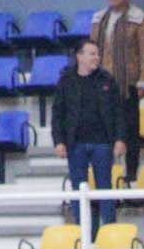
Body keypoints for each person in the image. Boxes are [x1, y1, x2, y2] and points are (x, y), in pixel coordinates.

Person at [89, 0, 144, 186]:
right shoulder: (99, 19)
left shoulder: (138, 19)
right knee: (102, 130)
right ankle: (104, 174)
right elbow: (91, 50)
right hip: (101, 84)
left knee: (130, 131)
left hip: (128, 83)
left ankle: (131, 175)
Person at [52, 40, 123, 225]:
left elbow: (118, 112)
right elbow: (58, 113)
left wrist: (119, 139)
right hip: (75, 144)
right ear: (79, 56)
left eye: (97, 54)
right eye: (92, 54)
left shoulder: (107, 79)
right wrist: (58, 141)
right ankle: (83, 230)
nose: (97, 58)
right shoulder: (66, 80)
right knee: (78, 189)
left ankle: (109, 229)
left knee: (105, 188)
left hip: (103, 143)